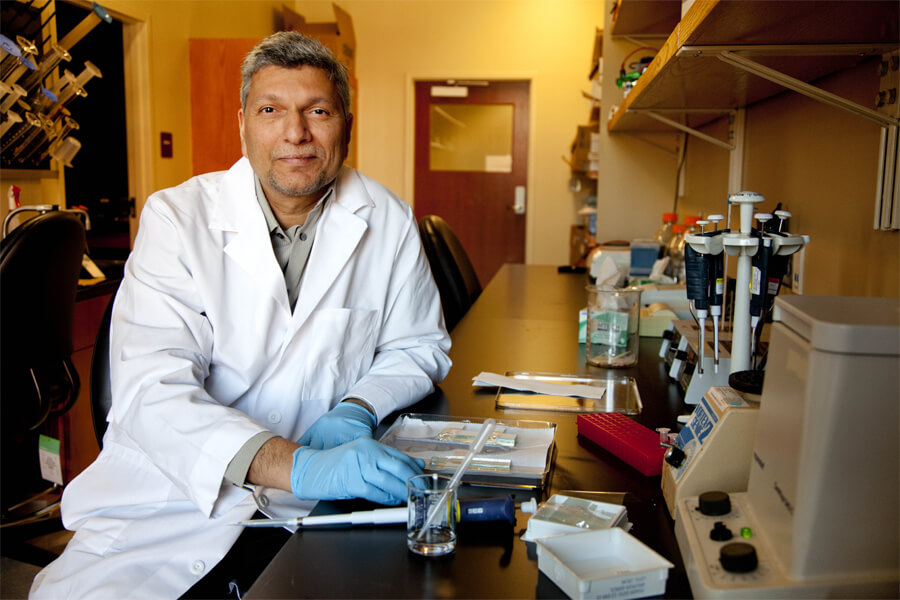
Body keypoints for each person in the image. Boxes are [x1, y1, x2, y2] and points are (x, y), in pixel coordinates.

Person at [31, 31, 451, 599]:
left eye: (318, 111)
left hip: (319, 507)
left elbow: (418, 344)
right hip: (170, 501)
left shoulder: (388, 218)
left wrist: (358, 407)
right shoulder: (177, 219)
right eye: (271, 110)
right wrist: (295, 465)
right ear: (243, 124)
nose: (295, 133)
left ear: (346, 125)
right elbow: (152, 389)